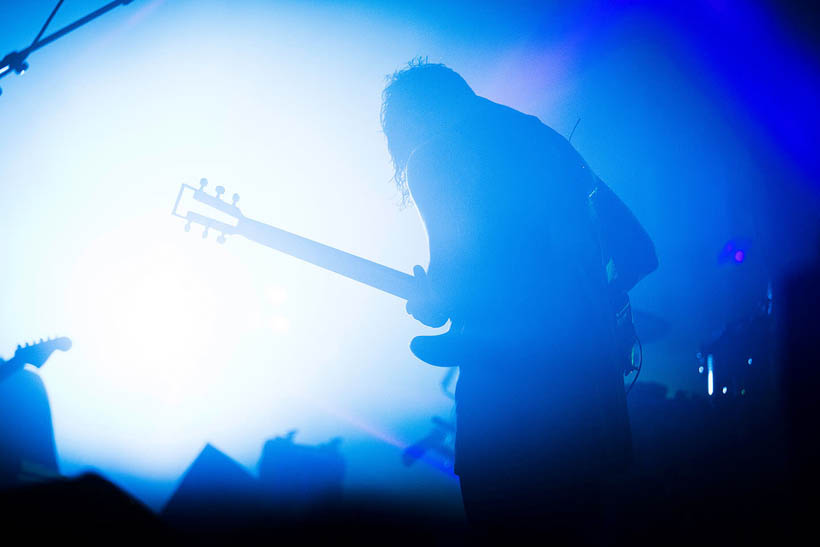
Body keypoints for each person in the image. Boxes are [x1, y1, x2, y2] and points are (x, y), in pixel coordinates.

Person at [381, 60, 657, 541]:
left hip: (509, 415)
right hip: (592, 407)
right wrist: (591, 311)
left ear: (412, 119)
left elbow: (449, 290)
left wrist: (434, 301)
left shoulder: (436, 154)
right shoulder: (548, 143)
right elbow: (639, 252)